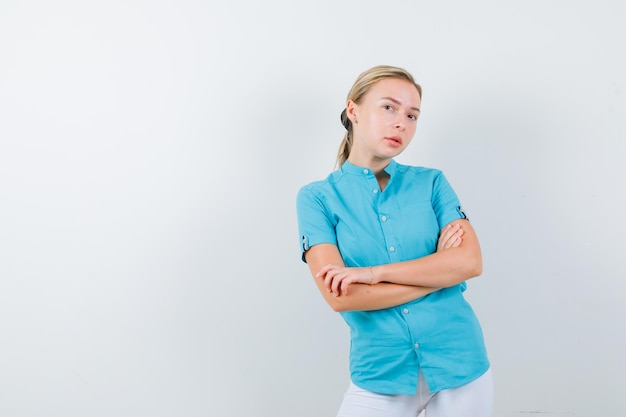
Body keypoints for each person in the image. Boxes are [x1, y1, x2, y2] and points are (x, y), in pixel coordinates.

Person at [295, 65, 493, 417]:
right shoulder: (317, 198)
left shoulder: (432, 183)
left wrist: (371, 274)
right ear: (353, 110)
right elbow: (341, 297)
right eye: (389, 107)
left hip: (461, 367)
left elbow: (469, 263)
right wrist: (439, 276)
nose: (402, 122)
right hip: (379, 375)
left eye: (412, 115)